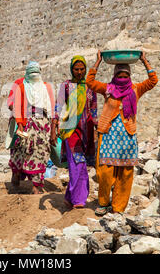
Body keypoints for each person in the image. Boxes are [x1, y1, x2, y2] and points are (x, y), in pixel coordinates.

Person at [86, 51, 158, 215]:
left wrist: (144, 60)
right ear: (115, 75)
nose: (123, 78)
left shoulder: (136, 89)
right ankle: (103, 203)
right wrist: (98, 62)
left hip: (127, 137)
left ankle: (118, 207)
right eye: (120, 75)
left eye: (125, 75)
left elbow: (154, 80)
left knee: (125, 174)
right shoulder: (107, 89)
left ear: (130, 76)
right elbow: (89, 81)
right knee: (105, 172)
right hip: (108, 136)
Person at [51, 55, 97, 209]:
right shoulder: (66, 86)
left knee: (80, 165)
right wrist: (53, 129)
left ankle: (69, 197)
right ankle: (79, 200)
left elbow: (94, 109)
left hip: (87, 130)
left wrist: (98, 129)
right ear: (72, 70)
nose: (79, 72)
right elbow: (58, 107)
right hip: (70, 129)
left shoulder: (90, 86)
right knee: (78, 163)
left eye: (82, 69)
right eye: (76, 69)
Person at [8, 61, 55, 194]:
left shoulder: (47, 87)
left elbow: (51, 109)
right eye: (31, 73)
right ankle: (16, 174)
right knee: (22, 150)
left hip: (43, 126)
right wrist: (20, 125)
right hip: (25, 123)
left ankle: (36, 185)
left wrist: (53, 130)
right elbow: (17, 107)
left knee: (41, 152)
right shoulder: (21, 87)